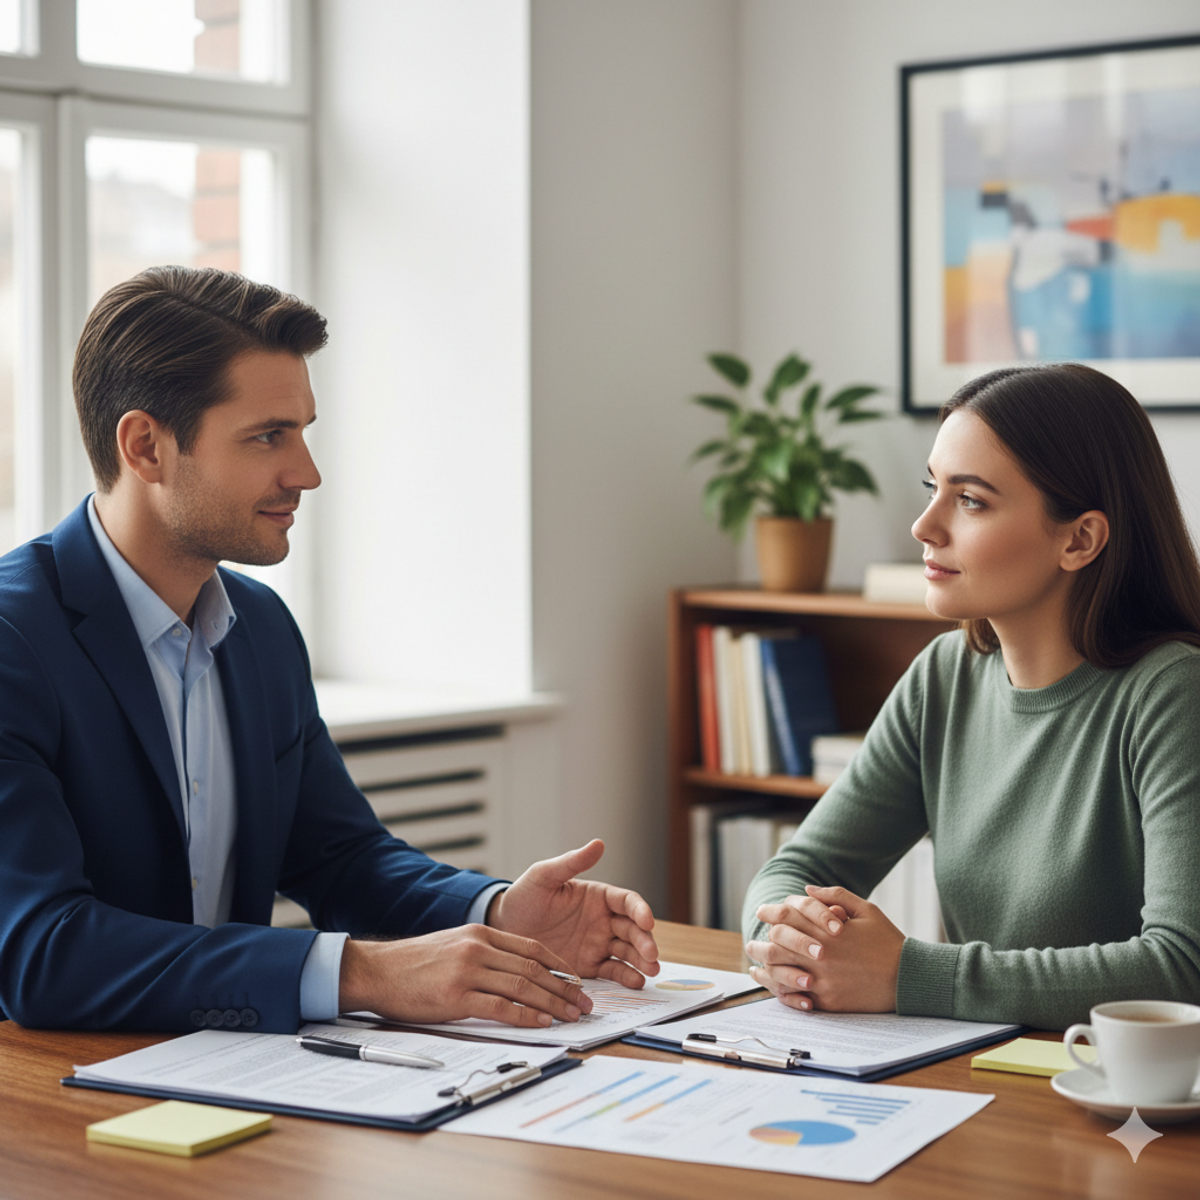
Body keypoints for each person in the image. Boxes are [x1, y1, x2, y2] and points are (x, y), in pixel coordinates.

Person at [0, 265, 658, 1034]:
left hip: (221, 1067)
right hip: (46, 1083)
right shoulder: (14, 640)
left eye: (303, 431)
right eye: (268, 436)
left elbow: (340, 858)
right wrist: (364, 973)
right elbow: (41, 953)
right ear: (146, 447)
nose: (307, 474)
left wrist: (499, 911)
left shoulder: (260, 625)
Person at [743, 363, 1200, 1030]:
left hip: (1114, 1084)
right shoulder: (943, 677)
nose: (924, 526)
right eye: (934, 488)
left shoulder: (1173, 694)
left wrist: (906, 975)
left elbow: (1182, 967)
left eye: (972, 500)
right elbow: (799, 867)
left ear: (1079, 539)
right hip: (976, 1064)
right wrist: (795, 943)